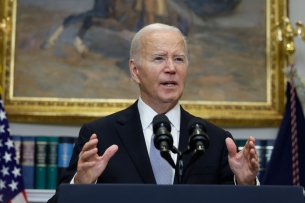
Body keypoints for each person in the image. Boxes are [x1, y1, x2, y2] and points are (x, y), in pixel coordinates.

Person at [47, 23, 259, 203]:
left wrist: (245, 183)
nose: (171, 68)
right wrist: (81, 184)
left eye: (178, 59)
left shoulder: (216, 139)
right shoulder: (99, 136)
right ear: (135, 70)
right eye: (159, 58)